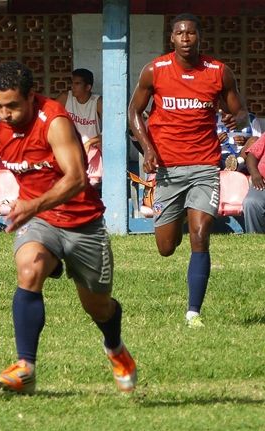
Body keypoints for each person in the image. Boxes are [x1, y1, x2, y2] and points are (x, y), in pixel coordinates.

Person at [0, 61, 137, 395]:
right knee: (29, 269)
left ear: (32, 96)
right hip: (40, 221)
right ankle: (26, 366)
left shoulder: (55, 121)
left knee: (98, 307)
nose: (4, 114)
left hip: (83, 223)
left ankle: (115, 348)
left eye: (12, 106)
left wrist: (31, 205)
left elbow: (77, 178)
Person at [128, 13, 248, 328]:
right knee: (166, 247)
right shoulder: (155, 71)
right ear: (172, 39)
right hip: (167, 168)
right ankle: (179, 214)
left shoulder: (218, 72)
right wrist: (148, 148)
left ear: (199, 37)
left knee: (200, 235)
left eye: (191, 33)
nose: (185, 38)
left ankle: (193, 313)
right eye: (179, 33)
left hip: (205, 166)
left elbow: (242, 112)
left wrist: (238, 120)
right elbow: (134, 111)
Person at [55, 68, 102, 189]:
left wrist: (90, 142)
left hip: (92, 151)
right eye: (72, 83)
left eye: (77, 83)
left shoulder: (97, 102)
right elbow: (50, 118)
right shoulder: (66, 98)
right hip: (69, 148)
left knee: (89, 185)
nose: (73, 87)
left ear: (88, 87)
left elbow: (110, 131)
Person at [242, 134, 265, 233]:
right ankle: (255, 238)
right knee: (251, 202)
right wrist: (255, 174)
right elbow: (252, 155)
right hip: (262, 183)